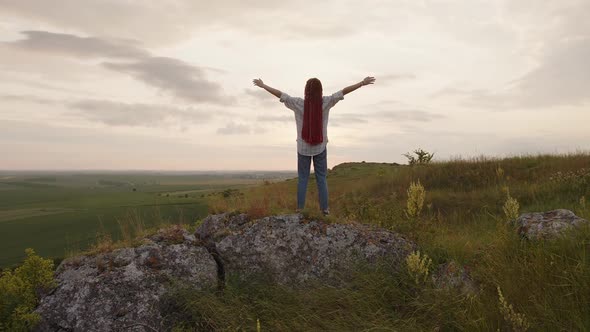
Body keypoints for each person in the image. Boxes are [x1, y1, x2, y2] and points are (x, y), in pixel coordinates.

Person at [252, 76, 376, 215]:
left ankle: (300, 209)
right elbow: (343, 92)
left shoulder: (298, 103)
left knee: (303, 178)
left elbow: (281, 95)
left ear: (306, 91)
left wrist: (264, 86)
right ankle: (325, 210)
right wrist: (361, 83)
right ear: (320, 91)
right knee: (321, 178)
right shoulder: (326, 102)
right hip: (320, 148)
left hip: (303, 149)